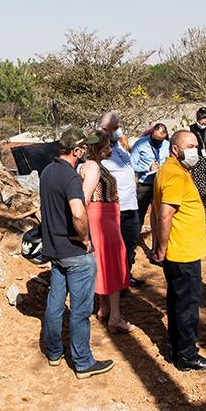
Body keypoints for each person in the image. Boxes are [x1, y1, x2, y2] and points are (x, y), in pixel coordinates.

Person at [40, 126, 114, 379]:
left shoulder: (48, 171)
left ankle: (53, 352)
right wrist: (84, 238)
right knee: (80, 310)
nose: (86, 150)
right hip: (74, 252)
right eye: (84, 147)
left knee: (55, 304)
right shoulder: (71, 177)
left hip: (55, 251)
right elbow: (78, 211)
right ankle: (83, 362)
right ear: (76, 150)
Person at [152, 130, 206, 372]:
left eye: (197, 145)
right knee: (187, 305)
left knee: (176, 301)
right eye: (189, 145)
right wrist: (162, 245)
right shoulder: (176, 175)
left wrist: (159, 246)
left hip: (178, 250)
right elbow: (164, 214)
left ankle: (176, 346)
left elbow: (154, 206)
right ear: (175, 149)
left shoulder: (169, 170)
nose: (195, 150)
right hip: (183, 253)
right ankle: (187, 354)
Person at [79, 130, 136, 334]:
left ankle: (104, 309)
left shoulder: (95, 165)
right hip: (102, 218)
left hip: (105, 217)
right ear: (96, 148)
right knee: (113, 264)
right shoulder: (93, 166)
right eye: (105, 147)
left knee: (104, 262)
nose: (109, 150)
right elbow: (85, 198)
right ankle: (115, 316)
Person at [98, 113, 145, 288]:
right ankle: (114, 283)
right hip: (114, 209)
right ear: (104, 130)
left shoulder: (119, 146)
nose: (120, 130)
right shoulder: (99, 149)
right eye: (116, 128)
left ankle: (126, 276)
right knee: (115, 249)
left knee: (130, 245)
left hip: (131, 206)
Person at [131, 123, 169, 233]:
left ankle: (158, 245)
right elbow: (131, 164)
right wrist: (147, 168)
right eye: (155, 139)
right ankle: (133, 243)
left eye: (161, 140)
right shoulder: (140, 144)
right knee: (139, 215)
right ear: (151, 133)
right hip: (145, 185)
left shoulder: (167, 145)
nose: (158, 142)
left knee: (161, 216)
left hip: (161, 184)